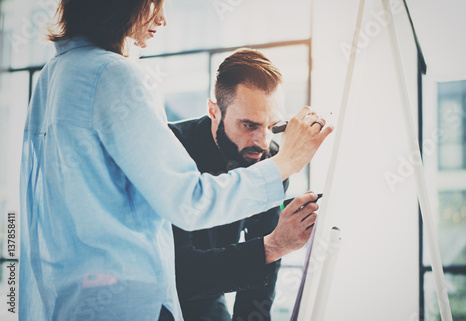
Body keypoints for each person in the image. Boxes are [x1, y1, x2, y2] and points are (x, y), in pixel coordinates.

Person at [19, 1, 332, 320]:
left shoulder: (54, 76)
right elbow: (189, 202)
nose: (164, 19)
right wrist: (288, 163)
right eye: (155, 3)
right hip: (130, 303)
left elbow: (261, 281)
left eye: (270, 125)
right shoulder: (113, 74)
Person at [170, 49, 319, 321]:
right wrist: (271, 246)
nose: (262, 141)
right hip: (162, 294)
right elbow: (181, 272)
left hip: (210, 295)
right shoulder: (173, 147)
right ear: (214, 111)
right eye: (249, 125)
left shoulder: (272, 157)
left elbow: (266, 266)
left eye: (272, 126)